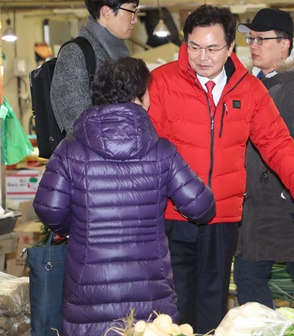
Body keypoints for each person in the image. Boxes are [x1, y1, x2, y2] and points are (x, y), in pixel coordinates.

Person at [148, 4, 294, 334]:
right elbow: (144, 148)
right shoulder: (162, 82)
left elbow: (277, 143)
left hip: (222, 217)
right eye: (194, 47)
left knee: (214, 305)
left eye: (213, 48)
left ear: (229, 48)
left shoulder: (249, 89)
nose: (202, 56)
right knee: (173, 307)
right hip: (171, 215)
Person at [33, 57, 216, 335]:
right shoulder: (162, 151)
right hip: (150, 291)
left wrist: (79, 228)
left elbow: (48, 209)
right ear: (139, 96)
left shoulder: (70, 149)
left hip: (87, 290)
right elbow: (202, 207)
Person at [233, 8, 294, 308]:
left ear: (284, 44)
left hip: (293, 209)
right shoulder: (249, 86)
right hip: (255, 210)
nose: (253, 45)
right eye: (251, 38)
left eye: (261, 39)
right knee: (248, 282)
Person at [51, 0, 139, 136]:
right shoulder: (75, 54)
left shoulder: (121, 55)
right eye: (131, 11)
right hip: (92, 158)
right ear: (106, 11)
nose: (135, 20)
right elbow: (76, 124)